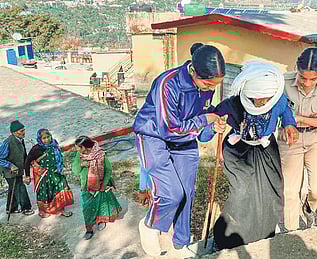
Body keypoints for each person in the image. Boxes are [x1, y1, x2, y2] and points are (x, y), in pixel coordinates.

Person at [133, 42, 226, 256]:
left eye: (216, 84)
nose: (211, 88)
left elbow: (201, 130)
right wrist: (205, 118)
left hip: (184, 140)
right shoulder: (168, 84)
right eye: (209, 83)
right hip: (154, 137)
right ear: (194, 71)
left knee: (186, 192)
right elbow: (169, 129)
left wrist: (212, 127)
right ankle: (150, 225)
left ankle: (180, 242)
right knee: (171, 193)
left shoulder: (205, 87)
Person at [212, 61, 298, 250]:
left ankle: (263, 233)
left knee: (272, 193)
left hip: (266, 150)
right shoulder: (234, 102)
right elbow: (213, 116)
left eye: (266, 99)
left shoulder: (278, 99)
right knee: (242, 192)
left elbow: (285, 111)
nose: (262, 103)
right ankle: (229, 236)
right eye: (257, 99)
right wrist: (214, 124)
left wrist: (289, 125)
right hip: (237, 151)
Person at [278, 47, 317, 231]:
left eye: (313, 79)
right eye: (303, 77)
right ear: (297, 68)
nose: (307, 83)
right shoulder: (282, 82)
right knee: (289, 191)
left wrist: (301, 119)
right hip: (289, 139)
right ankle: (292, 232)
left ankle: (309, 207)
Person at [72, 136, 122, 240]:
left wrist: (103, 185)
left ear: (84, 147)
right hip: (86, 186)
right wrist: (81, 165)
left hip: (101, 183)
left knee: (101, 203)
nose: (77, 150)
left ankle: (101, 220)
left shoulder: (100, 154)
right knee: (87, 208)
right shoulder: (79, 155)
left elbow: (108, 170)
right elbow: (75, 171)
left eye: (78, 148)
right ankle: (89, 229)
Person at [25, 129, 73, 218]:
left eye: (48, 137)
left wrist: (61, 166)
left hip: (56, 172)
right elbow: (27, 161)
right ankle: (43, 211)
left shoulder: (54, 145)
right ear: (40, 139)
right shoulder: (36, 149)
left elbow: (59, 157)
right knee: (44, 192)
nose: (47, 140)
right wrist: (27, 175)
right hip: (44, 175)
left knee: (60, 190)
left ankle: (61, 209)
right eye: (44, 138)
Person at [0, 120, 34, 216]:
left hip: (17, 169)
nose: (24, 132)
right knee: (20, 187)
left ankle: (11, 209)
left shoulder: (20, 139)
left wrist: (28, 164)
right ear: (14, 132)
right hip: (8, 170)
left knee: (13, 187)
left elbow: (23, 154)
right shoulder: (8, 142)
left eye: (24, 130)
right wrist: (10, 165)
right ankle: (26, 208)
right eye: (21, 131)